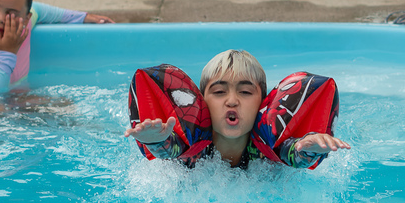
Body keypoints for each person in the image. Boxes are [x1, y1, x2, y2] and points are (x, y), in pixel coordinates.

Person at [125, 49, 350, 168]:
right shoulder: (191, 144)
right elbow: (169, 149)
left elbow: (294, 154)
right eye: (219, 92)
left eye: (245, 92)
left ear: (264, 104)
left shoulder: (269, 147)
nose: (232, 101)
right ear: (202, 102)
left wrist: (310, 145)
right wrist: (154, 139)